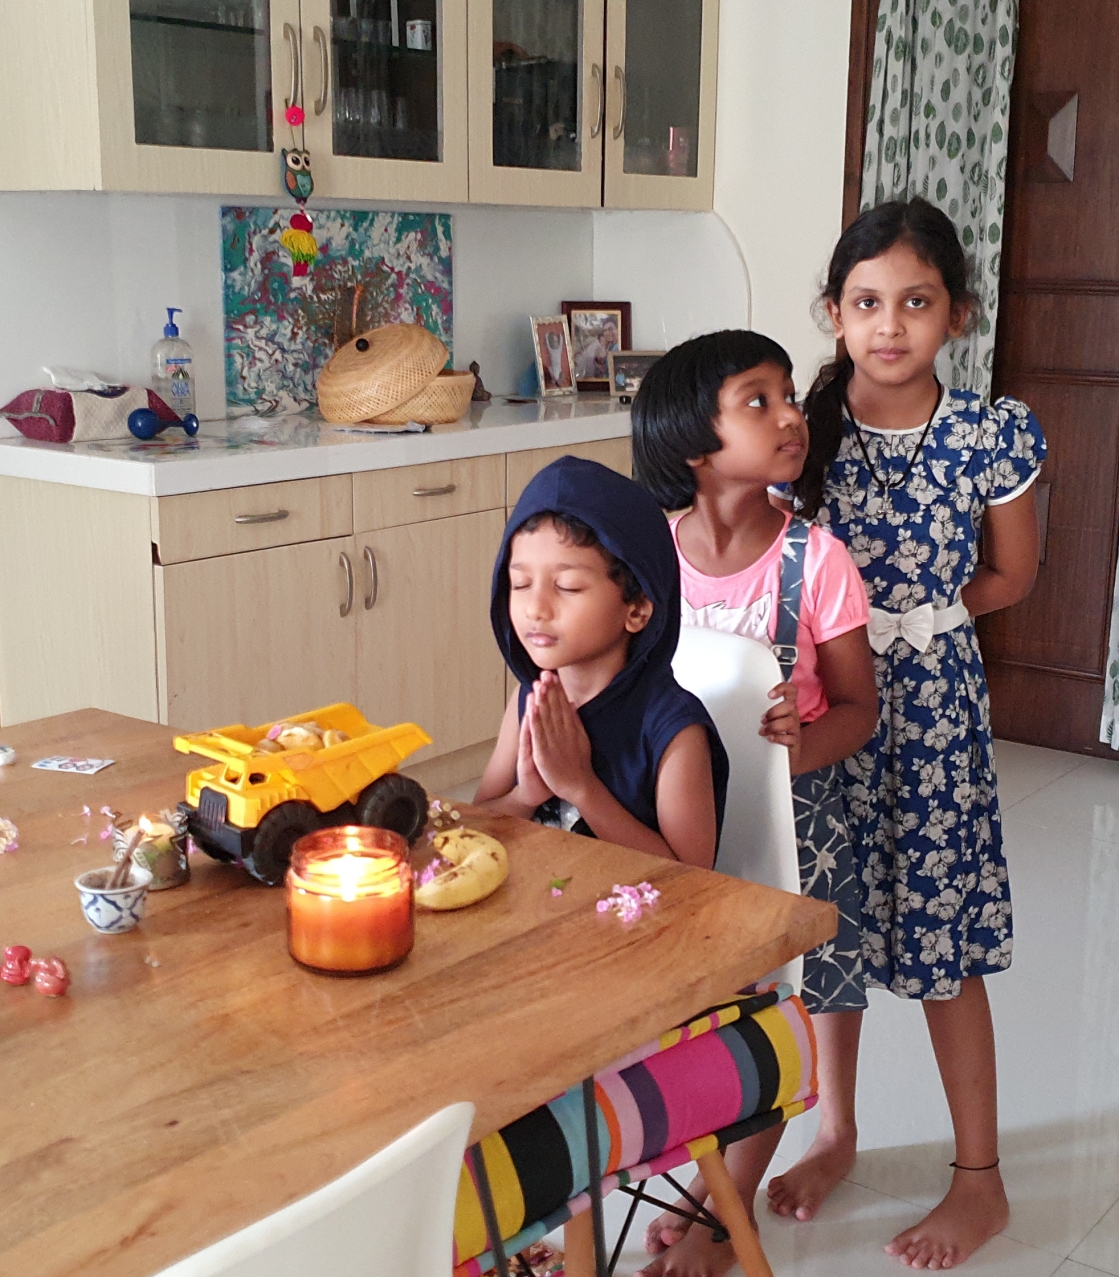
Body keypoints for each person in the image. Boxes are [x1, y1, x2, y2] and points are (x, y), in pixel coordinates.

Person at [785, 197, 1045, 1270]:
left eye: (916, 302)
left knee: (940, 933)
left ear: (957, 315)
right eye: (866, 302)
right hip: (823, 706)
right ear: (835, 314)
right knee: (830, 920)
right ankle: (836, 1129)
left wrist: (919, 620)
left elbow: (1014, 573)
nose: (889, 324)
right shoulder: (804, 431)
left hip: (933, 705)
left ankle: (979, 1180)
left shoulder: (991, 430)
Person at [630, 329, 880, 1277]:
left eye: (788, 397)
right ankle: (705, 1181)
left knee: (791, 1011)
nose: (789, 418)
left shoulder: (815, 559)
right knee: (707, 1009)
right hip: (677, 822)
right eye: (758, 401)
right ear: (694, 441)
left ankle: (722, 1217)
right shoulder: (643, 553)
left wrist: (794, 748)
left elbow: (858, 707)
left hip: (800, 817)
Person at [475, 455, 729, 871]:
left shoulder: (674, 731)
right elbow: (477, 822)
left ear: (637, 609)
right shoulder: (531, 699)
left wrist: (582, 788)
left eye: (568, 586)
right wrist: (525, 797)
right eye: (520, 583)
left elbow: (692, 876)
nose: (535, 608)